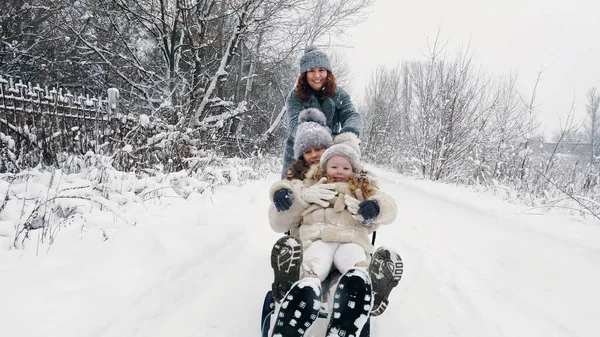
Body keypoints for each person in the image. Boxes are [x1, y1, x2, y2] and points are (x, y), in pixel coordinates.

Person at [268, 132, 402, 337]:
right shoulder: (309, 183)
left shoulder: (364, 188)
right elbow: (288, 189)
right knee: (314, 264)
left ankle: (366, 288)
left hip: (351, 238)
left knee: (355, 269)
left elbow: (390, 206)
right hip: (317, 238)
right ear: (323, 167)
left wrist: (375, 207)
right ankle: (298, 285)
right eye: (334, 166)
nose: (340, 171)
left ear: (355, 170)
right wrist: (287, 195)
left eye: (346, 167)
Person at [281, 46, 362, 178]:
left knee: (329, 191)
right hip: (301, 151)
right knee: (292, 192)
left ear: (328, 72)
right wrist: (327, 137)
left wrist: (348, 135)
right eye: (311, 70)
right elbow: (294, 126)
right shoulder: (295, 97)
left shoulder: (339, 94)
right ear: (304, 74)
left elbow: (351, 114)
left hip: (329, 152)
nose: (317, 75)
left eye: (321, 70)